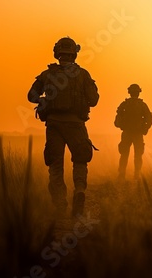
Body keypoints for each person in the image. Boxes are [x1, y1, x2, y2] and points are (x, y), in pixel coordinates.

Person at [27, 37, 99, 217]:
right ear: (74, 53)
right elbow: (94, 100)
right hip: (76, 125)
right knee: (80, 160)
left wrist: (43, 100)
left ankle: (60, 204)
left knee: (55, 165)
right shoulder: (82, 74)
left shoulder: (47, 74)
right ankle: (80, 190)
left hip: (54, 126)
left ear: (57, 53)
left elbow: (31, 95)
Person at [114, 84, 152, 180]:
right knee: (138, 155)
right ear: (139, 93)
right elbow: (149, 119)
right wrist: (144, 129)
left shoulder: (125, 104)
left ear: (129, 92)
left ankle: (122, 173)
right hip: (137, 134)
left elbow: (117, 120)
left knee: (124, 154)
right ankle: (137, 174)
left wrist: (122, 126)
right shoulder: (142, 105)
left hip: (127, 133)